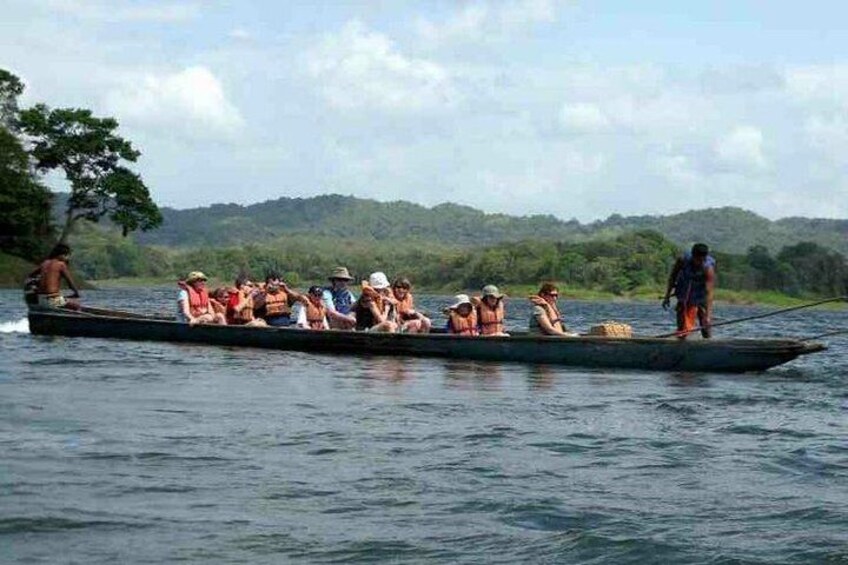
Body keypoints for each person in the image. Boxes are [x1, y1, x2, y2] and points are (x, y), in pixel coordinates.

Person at [663, 243, 716, 339]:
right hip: (685, 290)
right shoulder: (683, 260)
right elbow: (672, 277)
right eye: (698, 260)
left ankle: (708, 341)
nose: (700, 262)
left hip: (700, 293)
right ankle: (681, 343)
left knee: (705, 323)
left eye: (702, 260)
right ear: (693, 256)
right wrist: (667, 296)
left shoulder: (708, 268)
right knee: (682, 323)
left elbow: (709, 292)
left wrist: (708, 315)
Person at [26, 243, 81, 309]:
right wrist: (76, 293)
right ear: (61, 255)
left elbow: (31, 276)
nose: (67, 258)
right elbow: (70, 283)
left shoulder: (45, 263)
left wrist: (34, 288)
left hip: (40, 300)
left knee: (62, 300)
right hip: (53, 300)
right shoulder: (61, 264)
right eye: (66, 255)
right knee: (76, 305)